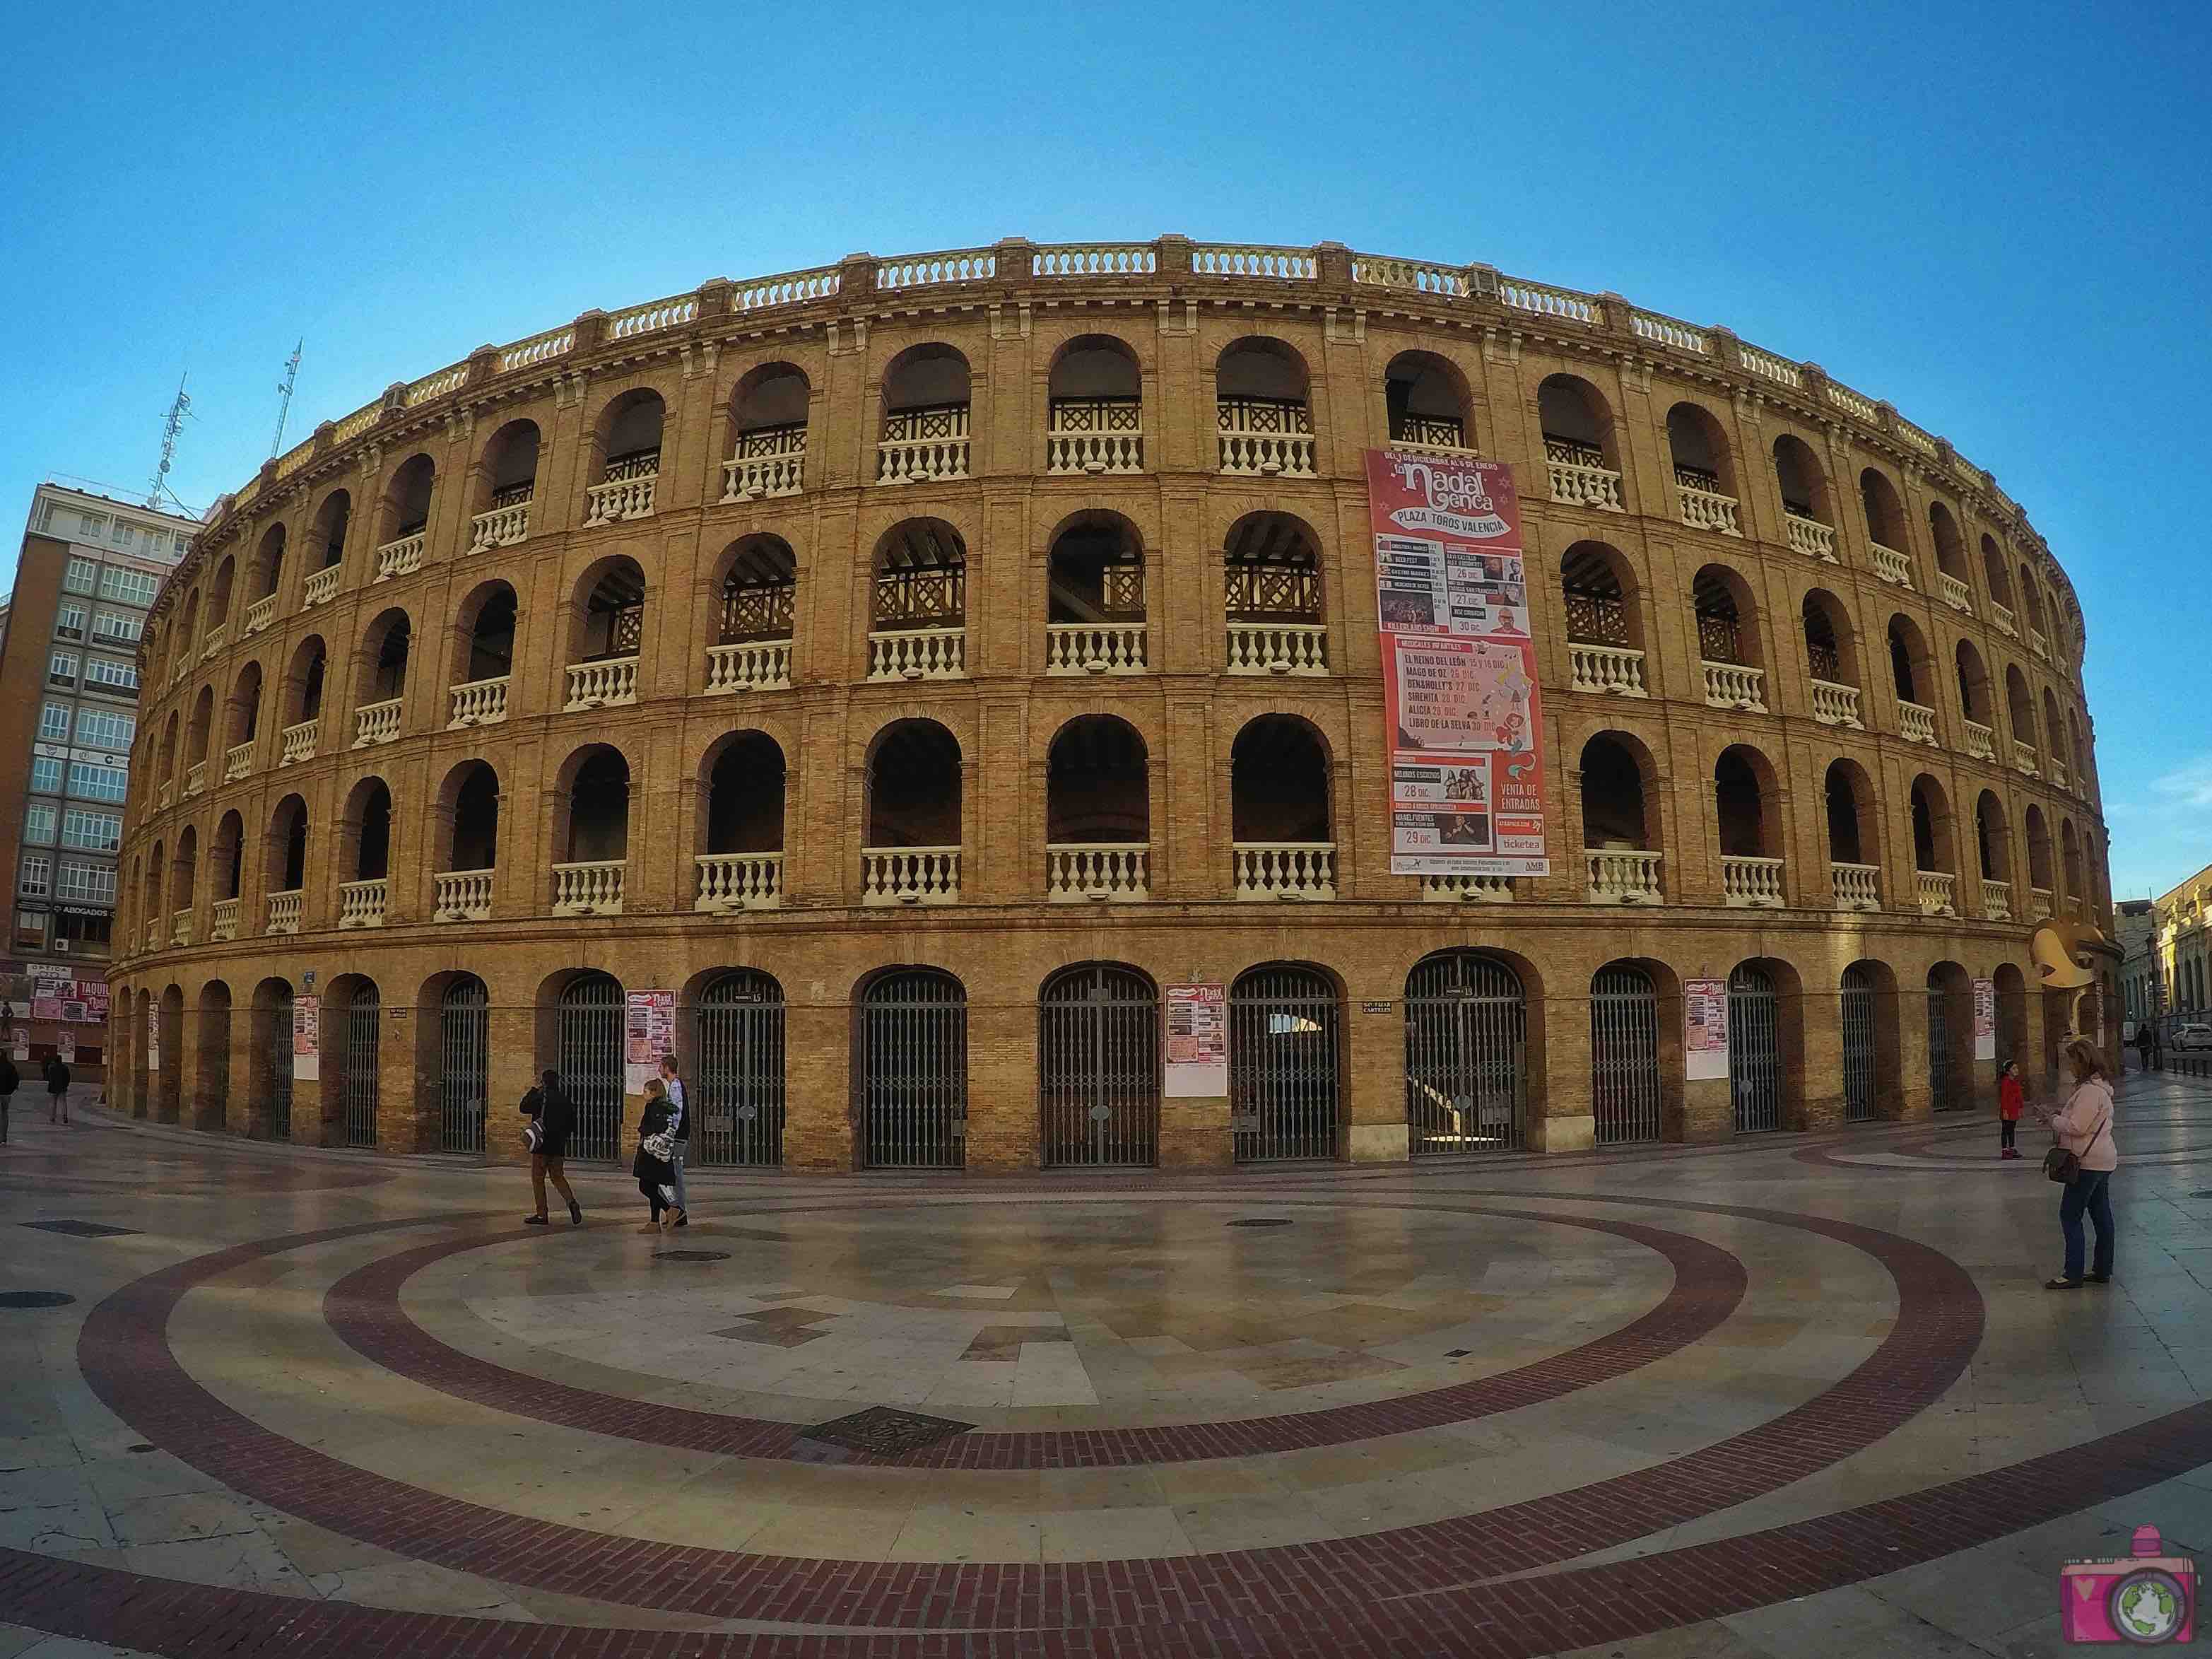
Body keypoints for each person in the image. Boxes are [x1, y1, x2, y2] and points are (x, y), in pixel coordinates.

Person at [2033, 1037, 2118, 1289]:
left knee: (2070, 1215)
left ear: (2082, 1062)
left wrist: (2053, 1120)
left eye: (2071, 1061)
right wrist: (2057, 1115)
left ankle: (2073, 1273)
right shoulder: (2097, 1089)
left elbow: (2077, 1127)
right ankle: (2103, 1269)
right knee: (2101, 1215)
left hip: (2087, 1163)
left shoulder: (2090, 1092)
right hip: (2101, 1161)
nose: (2069, 1067)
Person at [520, 1069, 582, 1226]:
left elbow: (523, 1107)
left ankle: (542, 1214)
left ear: (544, 1082)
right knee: (558, 1177)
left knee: (538, 1179)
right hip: (558, 1147)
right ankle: (572, 1202)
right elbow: (573, 1125)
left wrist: (533, 1091)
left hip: (542, 1146)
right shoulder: (565, 1099)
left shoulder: (541, 1097)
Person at [633, 1077, 684, 1232]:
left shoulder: (654, 1107)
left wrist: (642, 1129)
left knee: (645, 1186)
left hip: (652, 1154)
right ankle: (654, 1223)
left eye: (645, 1091)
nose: (643, 1094)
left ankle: (671, 1210)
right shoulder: (664, 1106)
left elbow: (657, 1126)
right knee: (652, 1186)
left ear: (654, 1092)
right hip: (659, 1153)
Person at [658, 1053, 689, 1225]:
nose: (659, 1070)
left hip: (676, 1139)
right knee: (672, 1176)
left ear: (667, 1068)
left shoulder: (675, 1086)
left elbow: (676, 1113)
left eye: (661, 1067)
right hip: (677, 1138)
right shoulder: (674, 1085)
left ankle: (679, 1211)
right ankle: (676, 1212)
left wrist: (669, 1136)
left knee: (674, 1176)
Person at [1997, 1058, 2025, 1159]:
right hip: (2007, 1110)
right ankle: (2005, 1150)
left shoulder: (2015, 1081)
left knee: (2012, 1130)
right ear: (2008, 1071)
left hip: (2014, 1109)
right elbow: (2004, 1097)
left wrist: (2020, 1108)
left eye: (2017, 1068)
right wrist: (2004, 1111)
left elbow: (2019, 1096)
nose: (2017, 1070)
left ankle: (2012, 1148)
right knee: (2005, 1130)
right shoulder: (2006, 1082)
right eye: (2014, 1068)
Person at [43, 1053, 71, 1126]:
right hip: (62, 1088)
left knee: (53, 1103)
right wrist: (66, 1085)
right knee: (63, 1103)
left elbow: (48, 1077)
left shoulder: (51, 1067)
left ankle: (52, 1117)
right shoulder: (65, 1067)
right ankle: (65, 1116)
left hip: (53, 1088)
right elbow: (68, 1078)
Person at [0, 1048, 16, 1144]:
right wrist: (11, 1090)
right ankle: (3, 1137)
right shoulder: (10, 1066)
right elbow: (15, 1080)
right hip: (6, 1094)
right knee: (4, 1114)